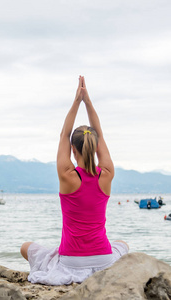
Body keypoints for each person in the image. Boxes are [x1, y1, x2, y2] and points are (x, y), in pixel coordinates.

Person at [20, 75, 129, 285]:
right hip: (104, 259)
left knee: (26, 247)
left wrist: (77, 101)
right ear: (96, 147)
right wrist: (88, 101)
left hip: (71, 262)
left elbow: (64, 134)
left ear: (73, 149)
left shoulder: (67, 176)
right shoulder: (106, 174)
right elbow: (101, 136)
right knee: (122, 244)